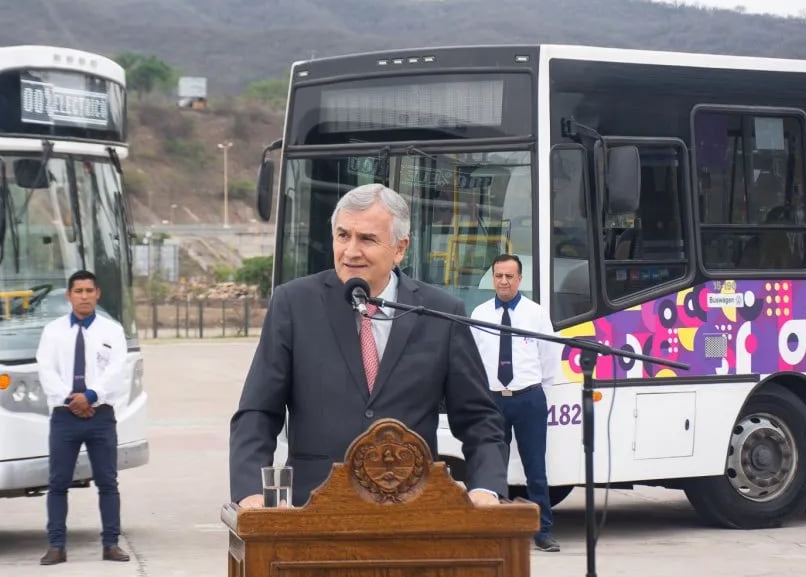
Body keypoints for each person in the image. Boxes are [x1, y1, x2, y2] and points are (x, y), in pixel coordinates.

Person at [229, 183, 508, 509]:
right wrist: (250, 494)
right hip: (314, 511)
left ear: (400, 248)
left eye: (367, 239)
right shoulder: (294, 304)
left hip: (413, 511)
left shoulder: (440, 312)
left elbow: (479, 420)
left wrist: (486, 489)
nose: (350, 251)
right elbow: (257, 413)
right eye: (343, 235)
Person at [35, 270, 133, 565]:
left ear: (98, 293)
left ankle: (111, 544)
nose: (84, 296)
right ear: (69, 295)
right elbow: (45, 369)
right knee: (58, 483)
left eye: (89, 290)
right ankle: (56, 546)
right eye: (78, 291)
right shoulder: (53, 331)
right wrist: (71, 398)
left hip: (100, 415)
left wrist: (90, 396)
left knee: (107, 482)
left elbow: (118, 369)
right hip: (65, 416)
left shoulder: (111, 331)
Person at [470, 254, 564, 551]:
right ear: (492, 278)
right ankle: (493, 530)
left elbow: (549, 355)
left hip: (528, 398)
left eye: (510, 276)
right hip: (493, 400)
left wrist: (541, 390)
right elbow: (472, 358)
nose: (504, 281)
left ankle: (543, 530)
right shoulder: (480, 314)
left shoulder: (535, 314)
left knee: (535, 467)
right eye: (498, 275)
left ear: (520, 279)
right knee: (492, 467)